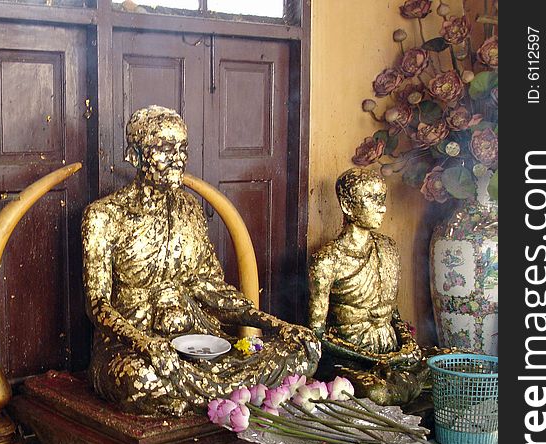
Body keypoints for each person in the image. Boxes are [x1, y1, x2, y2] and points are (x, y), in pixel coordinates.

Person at [82, 106, 320, 416]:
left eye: (183, 149)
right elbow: (97, 305)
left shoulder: (190, 209)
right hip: (133, 350)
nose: (178, 159)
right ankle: (232, 399)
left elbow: (213, 290)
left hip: (201, 343)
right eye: (165, 149)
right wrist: (145, 345)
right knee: (143, 381)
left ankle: (215, 398)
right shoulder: (104, 216)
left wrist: (278, 326)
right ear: (136, 156)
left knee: (303, 353)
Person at [307, 167, 437, 406]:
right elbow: (317, 335)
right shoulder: (327, 261)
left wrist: (407, 346)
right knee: (377, 393)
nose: (383, 207)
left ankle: (411, 386)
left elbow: (393, 312)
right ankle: (409, 391)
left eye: (383, 199)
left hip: (394, 353)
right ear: (347, 205)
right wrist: (373, 359)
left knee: (454, 366)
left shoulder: (388, 248)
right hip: (353, 360)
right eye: (373, 199)